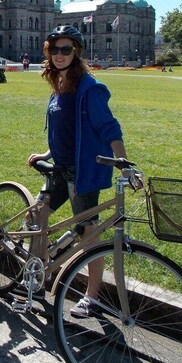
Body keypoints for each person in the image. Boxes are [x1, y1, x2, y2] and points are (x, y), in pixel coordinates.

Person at [27, 25, 127, 317]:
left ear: (77, 52)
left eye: (66, 49)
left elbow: (108, 126)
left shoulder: (88, 86)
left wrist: (124, 162)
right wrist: (47, 152)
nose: (59, 55)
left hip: (80, 170)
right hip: (59, 166)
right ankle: (39, 272)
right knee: (36, 214)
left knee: (89, 232)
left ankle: (92, 296)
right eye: (54, 49)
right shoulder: (58, 81)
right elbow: (64, 127)